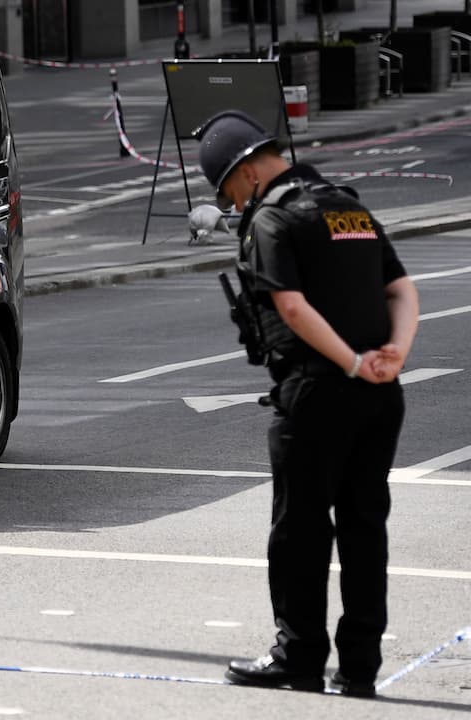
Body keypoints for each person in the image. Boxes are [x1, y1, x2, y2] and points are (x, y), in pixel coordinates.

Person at [194, 111, 420, 698]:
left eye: (228, 192)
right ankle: (361, 667)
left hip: (316, 390)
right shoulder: (349, 206)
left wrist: (346, 361)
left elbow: (291, 307)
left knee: (300, 530)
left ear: (245, 173)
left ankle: (298, 657)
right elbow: (402, 289)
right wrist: (392, 353)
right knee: (365, 526)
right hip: (381, 395)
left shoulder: (272, 217)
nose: (234, 204)